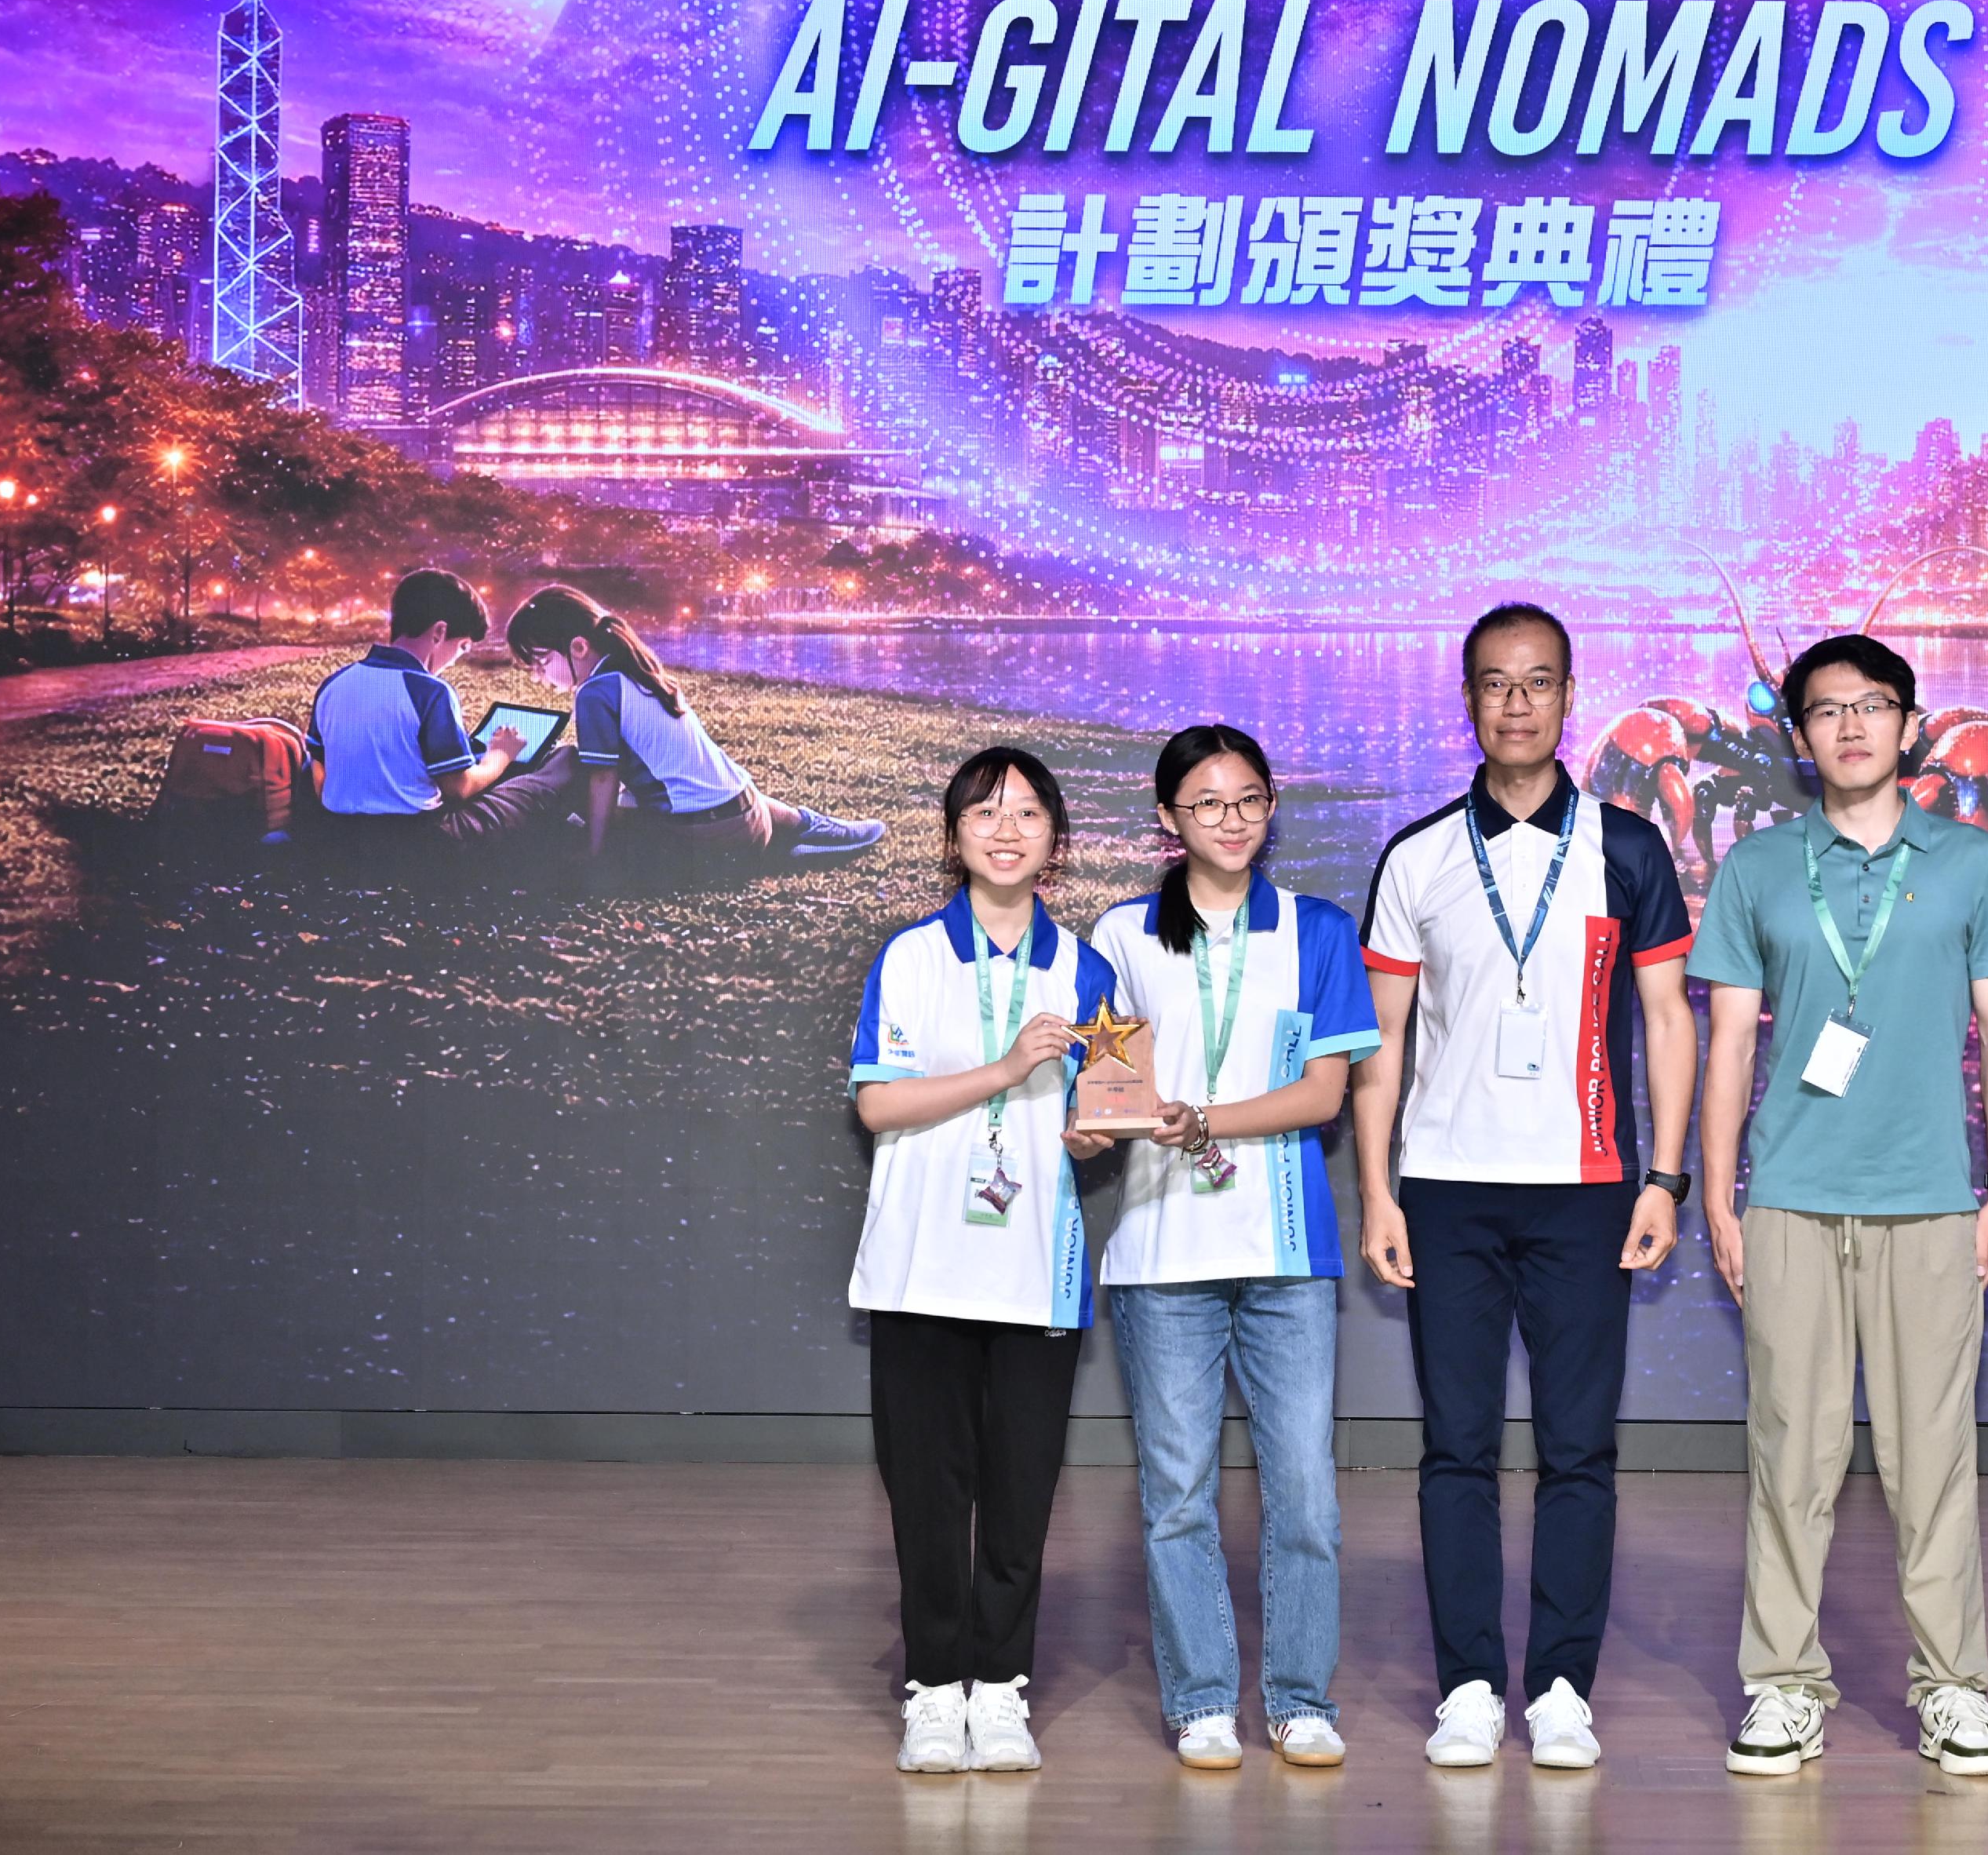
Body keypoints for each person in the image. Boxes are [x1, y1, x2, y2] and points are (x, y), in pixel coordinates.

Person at [1349, 602, 1699, 1773]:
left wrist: (1666, 1178)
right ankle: (1465, 1684)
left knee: (1577, 1447)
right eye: (1494, 683)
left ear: (1567, 696)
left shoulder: (1630, 847)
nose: (1516, 702)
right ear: (1469, 699)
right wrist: (1379, 1193)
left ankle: (1559, 1683)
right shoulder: (1418, 856)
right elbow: (1383, 1044)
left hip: (1588, 1188)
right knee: (1455, 1445)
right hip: (1446, 1189)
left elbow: (1665, 1019)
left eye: (1537, 682)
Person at [1686, 632, 1988, 1780]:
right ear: (1798, 735)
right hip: (1789, 1198)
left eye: (1872, 705)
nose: (1850, 727)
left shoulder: (1974, 863)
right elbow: (1728, 1039)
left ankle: (1954, 1690)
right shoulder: (1758, 869)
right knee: (1793, 1455)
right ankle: (1784, 1685)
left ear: (1910, 723)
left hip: (1933, 1201)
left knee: (1935, 1461)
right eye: (1826, 710)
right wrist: (1721, 1194)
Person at [1090, 725, 1381, 1773]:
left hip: (1285, 1249)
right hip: (1161, 1252)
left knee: (1304, 1487)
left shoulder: (1317, 930)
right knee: (1178, 1488)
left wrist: (1202, 1113)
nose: (1229, 819)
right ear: (1167, 817)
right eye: (1205, 803)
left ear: (1271, 807)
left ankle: (1301, 1697)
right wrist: (1119, 1112)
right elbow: (1110, 1084)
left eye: (1247, 799)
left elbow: (1323, 1092)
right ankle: (1202, 1696)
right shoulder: (1122, 934)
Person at [847, 746, 1120, 1775]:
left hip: (1032, 1269)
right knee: (927, 1488)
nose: (1006, 829)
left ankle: (1001, 1684)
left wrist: (1101, 1128)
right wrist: (1006, 1067)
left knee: (1018, 1488)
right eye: (984, 811)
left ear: (1056, 838)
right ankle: (933, 1681)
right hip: (920, 1267)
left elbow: (1103, 1112)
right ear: (953, 835)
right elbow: (879, 1103)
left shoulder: (1088, 968)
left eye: (1028, 812)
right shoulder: (910, 957)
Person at [503, 583, 883, 866]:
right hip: (750, 812)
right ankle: (810, 829)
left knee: (575, 790)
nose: (538, 676)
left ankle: (782, 856)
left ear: (579, 647)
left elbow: (603, 778)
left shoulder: (594, 693)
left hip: (709, 838)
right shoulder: (638, 670)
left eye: (539, 662)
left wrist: (594, 850)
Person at [306, 567, 579, 848]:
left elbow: (319, 767)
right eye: (461, 647)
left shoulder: (334, 684)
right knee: (561, 763)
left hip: (340, 836)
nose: (455, 660)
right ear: (439, 632)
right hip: (419, 841)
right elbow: (458, 789)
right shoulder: (430, 692)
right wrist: (501, 754)